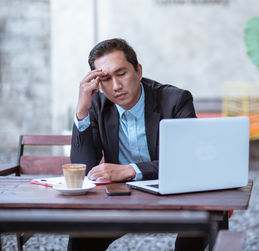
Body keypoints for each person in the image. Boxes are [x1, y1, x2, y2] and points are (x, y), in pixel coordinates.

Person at [69, 38, 206, 251]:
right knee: (81, 238)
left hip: (175, 196)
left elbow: (187, 161)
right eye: (105, 78)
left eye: (121, 73)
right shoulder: (97, 105)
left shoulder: (175, 100)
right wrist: (82, 109)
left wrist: (129, 170)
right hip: (122, 200)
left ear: (138, 72)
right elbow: (83, 167)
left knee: (198, 225)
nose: (116, 86)